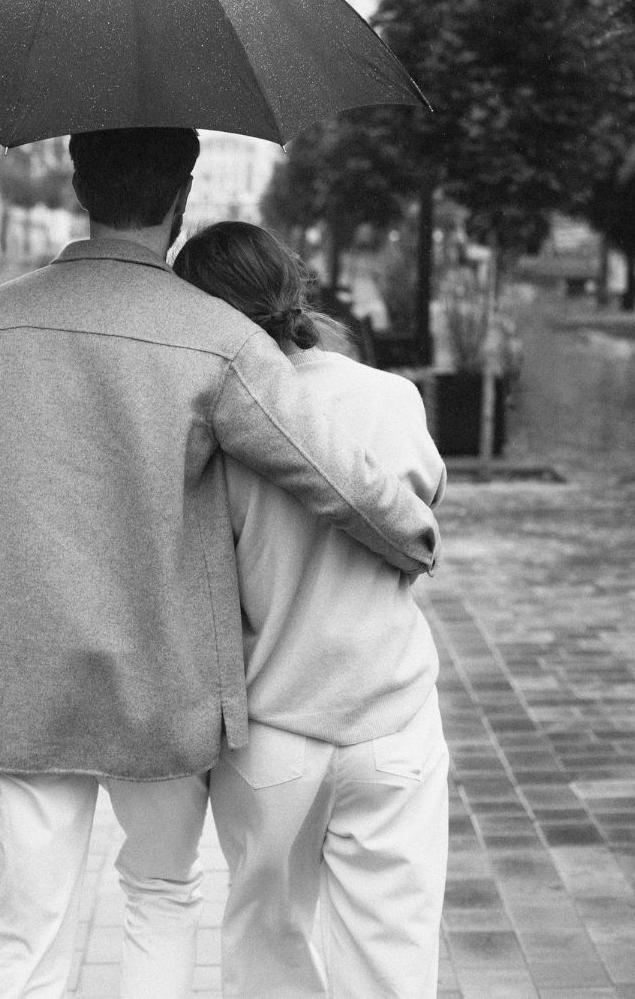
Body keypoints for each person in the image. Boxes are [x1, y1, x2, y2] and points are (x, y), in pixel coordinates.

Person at [0, 127, 440, 999]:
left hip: (23, 672)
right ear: (183, 195)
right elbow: (324, 468)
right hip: (160, 681)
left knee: (26, 940)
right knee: (159, 893)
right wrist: (412, 532)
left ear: (78, 185)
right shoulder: (215, 336)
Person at [173, 220, 448, 999]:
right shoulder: (392, 396)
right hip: (392, 718)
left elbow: (197, 576)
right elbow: (426, 508)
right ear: (294, 288)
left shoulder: (212, 427)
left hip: (272, 732)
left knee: (269, 954)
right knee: (394, 962)